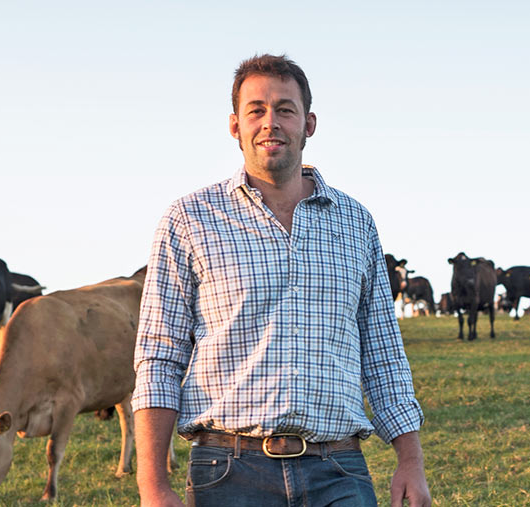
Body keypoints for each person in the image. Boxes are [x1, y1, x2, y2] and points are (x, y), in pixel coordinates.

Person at [133, 54, 430, 507]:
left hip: (339, 469)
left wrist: (410, 462)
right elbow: (160, 355)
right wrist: (153, 485)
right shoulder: (189, 219)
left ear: (309, 124)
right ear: (235, 126)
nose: (270, 122)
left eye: (285, 110)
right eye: (256, 110)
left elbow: (383, 351)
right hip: (226, 472)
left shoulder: (356, 223)